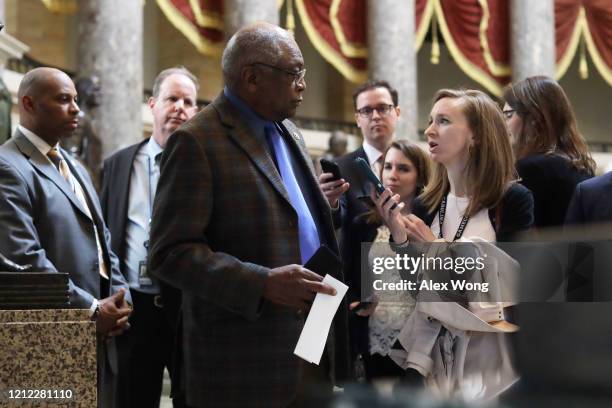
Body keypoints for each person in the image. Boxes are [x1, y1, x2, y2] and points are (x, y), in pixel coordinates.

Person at [148, 22, 348, 407]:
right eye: (294, 73)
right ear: (252, 77)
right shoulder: (197, 141)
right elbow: (169, 253)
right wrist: (261, 283)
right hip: (243, 363)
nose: (303, 84)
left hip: (311, 344)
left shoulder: (291, 131)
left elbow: (294, 220)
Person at [373, 89, 533, 399]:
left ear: (477, 136)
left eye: (443, 121)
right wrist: (401, 238)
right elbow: (416, 292)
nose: (429, 130)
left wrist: (436, 247)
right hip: (431, 361)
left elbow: (511, 289)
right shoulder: (427, 203)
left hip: (487, 363)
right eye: (431, 121)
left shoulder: (512, 200)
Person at [0, 67, 132, 408]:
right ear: (28, 103)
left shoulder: (75, 166)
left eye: (76, 100)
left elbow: (103, 240)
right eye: (63, 100)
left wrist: (120, 297)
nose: (76, 109)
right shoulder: (8, 166)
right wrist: (90, 310)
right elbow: (24, 258)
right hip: (50, 341)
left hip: (102, 337)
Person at [100, 66, 199, 408]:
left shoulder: (205, 166)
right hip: (133, 309)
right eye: (172, 98)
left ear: (196, 112)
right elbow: (105, 234)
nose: (180, 107)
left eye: (188, 101)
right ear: (153, 104)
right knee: (132, 399)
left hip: (187, 308)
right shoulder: (117, 164)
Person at [323, 80, 400, 375]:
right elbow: (333, 224)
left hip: (406, 300)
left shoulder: (418, 164)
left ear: (398, 112)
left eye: (383, 108)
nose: (375, 116)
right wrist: (328, 203)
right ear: (357, 118)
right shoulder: (341, 167)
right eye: (366, 110)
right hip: (357, 298)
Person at [346, 140, 430, 381]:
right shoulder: (363, 224)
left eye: (403, 168)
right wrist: (358, 303)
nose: (393, 175)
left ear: (419, 177)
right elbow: (350, 279)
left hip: (418, 340)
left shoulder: (430, 223)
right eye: (388, 167)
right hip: (374, 338)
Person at [502, 76, 595, 228]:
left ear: (534, 117)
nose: (503, 124)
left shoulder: (531, 168)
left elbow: (517, 236)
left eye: (508, 115)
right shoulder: (582, 165)